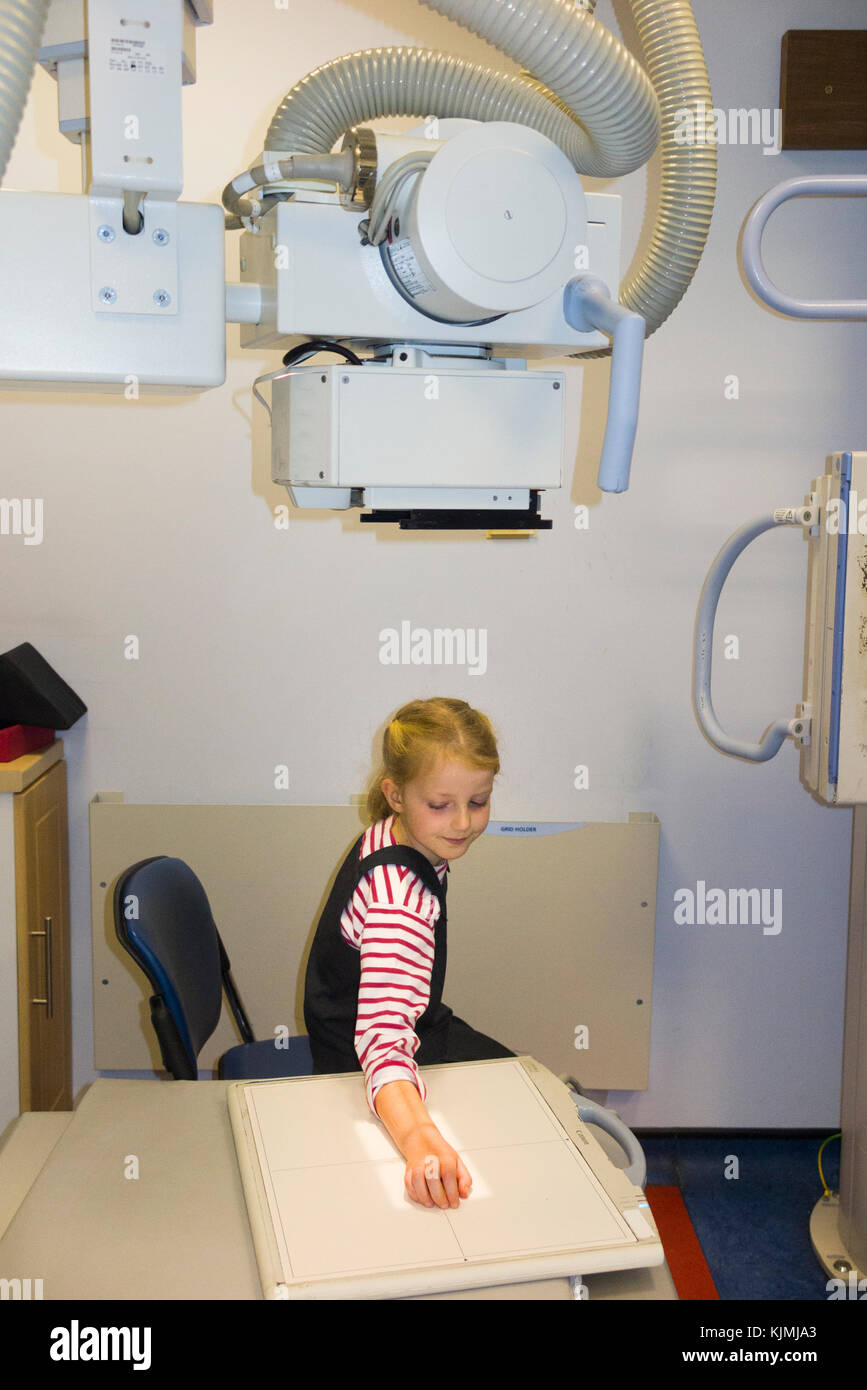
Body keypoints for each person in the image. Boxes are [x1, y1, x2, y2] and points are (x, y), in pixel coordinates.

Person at [304, 696, 515, 1212]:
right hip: (358, 1060)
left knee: (524, 1087)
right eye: (441, 805)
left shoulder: (399, 835)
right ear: (394, 794)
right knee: (520, 1121)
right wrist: (421, 1137)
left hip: (411, 1025)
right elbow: (381, 1041)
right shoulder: (398, 901)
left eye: (479, 801)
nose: (463, 822)